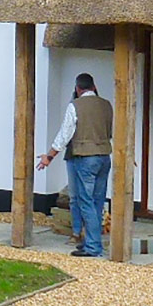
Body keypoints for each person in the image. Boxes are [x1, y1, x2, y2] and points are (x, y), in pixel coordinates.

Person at [36, 73, 113, 258]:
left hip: (85, 158)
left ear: (78, 89)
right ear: (94, 87)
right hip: (104, 157)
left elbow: (65, 134)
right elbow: (110, 131)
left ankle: (93, 247)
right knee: (97, 201)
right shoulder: (106, 105)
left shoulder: (75, 106)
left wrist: (49, 156)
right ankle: (90, 242)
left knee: (85, 201)